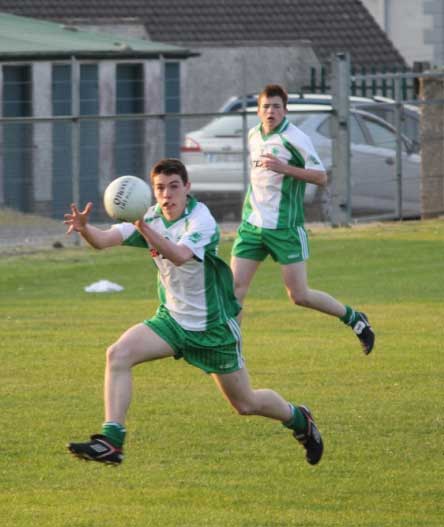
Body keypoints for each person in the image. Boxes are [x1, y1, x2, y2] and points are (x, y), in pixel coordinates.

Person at [64, 158, 323, 466]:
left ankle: (299, 419)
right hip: (171, 321)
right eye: (160, 188)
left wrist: (143, 228)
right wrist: (84, 229)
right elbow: (104, 240)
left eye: (174, 187)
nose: (167, 195)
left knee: (245, 403)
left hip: (212, 329)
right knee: (118, 354)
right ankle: (112, 441)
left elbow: (178, 255)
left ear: (187, 187)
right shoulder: (149, 217)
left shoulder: (200, 220)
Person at [231, 84, 375, 354]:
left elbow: (321, 177)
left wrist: (284, 168)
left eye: (276, 106)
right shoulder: (253, 135)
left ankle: (355, 319)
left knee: (299, 295)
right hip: (252, 226)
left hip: (285, 228)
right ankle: (232, 353)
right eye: (266, 106)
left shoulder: (295, 139)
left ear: (285, 110)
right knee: (234, 290)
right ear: (259, 110)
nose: (271, 111)